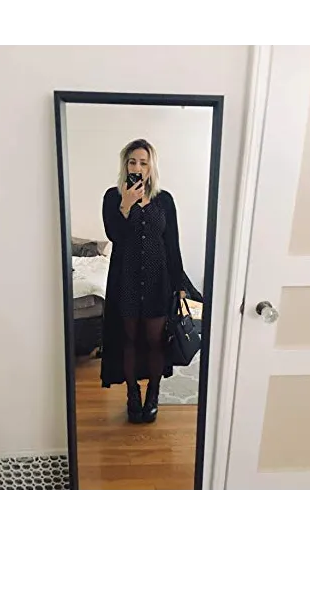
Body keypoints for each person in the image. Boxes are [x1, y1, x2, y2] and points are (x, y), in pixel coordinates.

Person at [101, 139, 186, 423]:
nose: (137, 167)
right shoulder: (112, 197)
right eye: (132, 162)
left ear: (151, 168)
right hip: (125, 279)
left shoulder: (165, 201)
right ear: (125, 165)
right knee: (128, 339)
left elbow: (172, 244)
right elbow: (114, 235)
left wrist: (179, 283)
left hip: (157, 280)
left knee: (155, 341)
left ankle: (153, 394)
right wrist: (125, 206)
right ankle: (132, 394)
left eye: (143, 162)